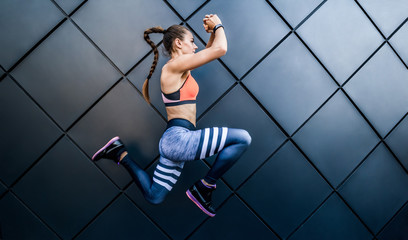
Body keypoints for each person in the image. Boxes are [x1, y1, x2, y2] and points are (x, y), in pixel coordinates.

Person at [92, 14, 251, 217]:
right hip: (179, 140)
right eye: (192, 42)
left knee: (154, 195)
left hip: (175, 141)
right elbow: (220, 49)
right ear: (178, 43)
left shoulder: (180, 69)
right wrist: (218, 23)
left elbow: (210, 51)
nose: (195, 47)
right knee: (242, 139)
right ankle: (205, 186)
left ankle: (119, 153)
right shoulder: (173, 67)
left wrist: (211, 33)